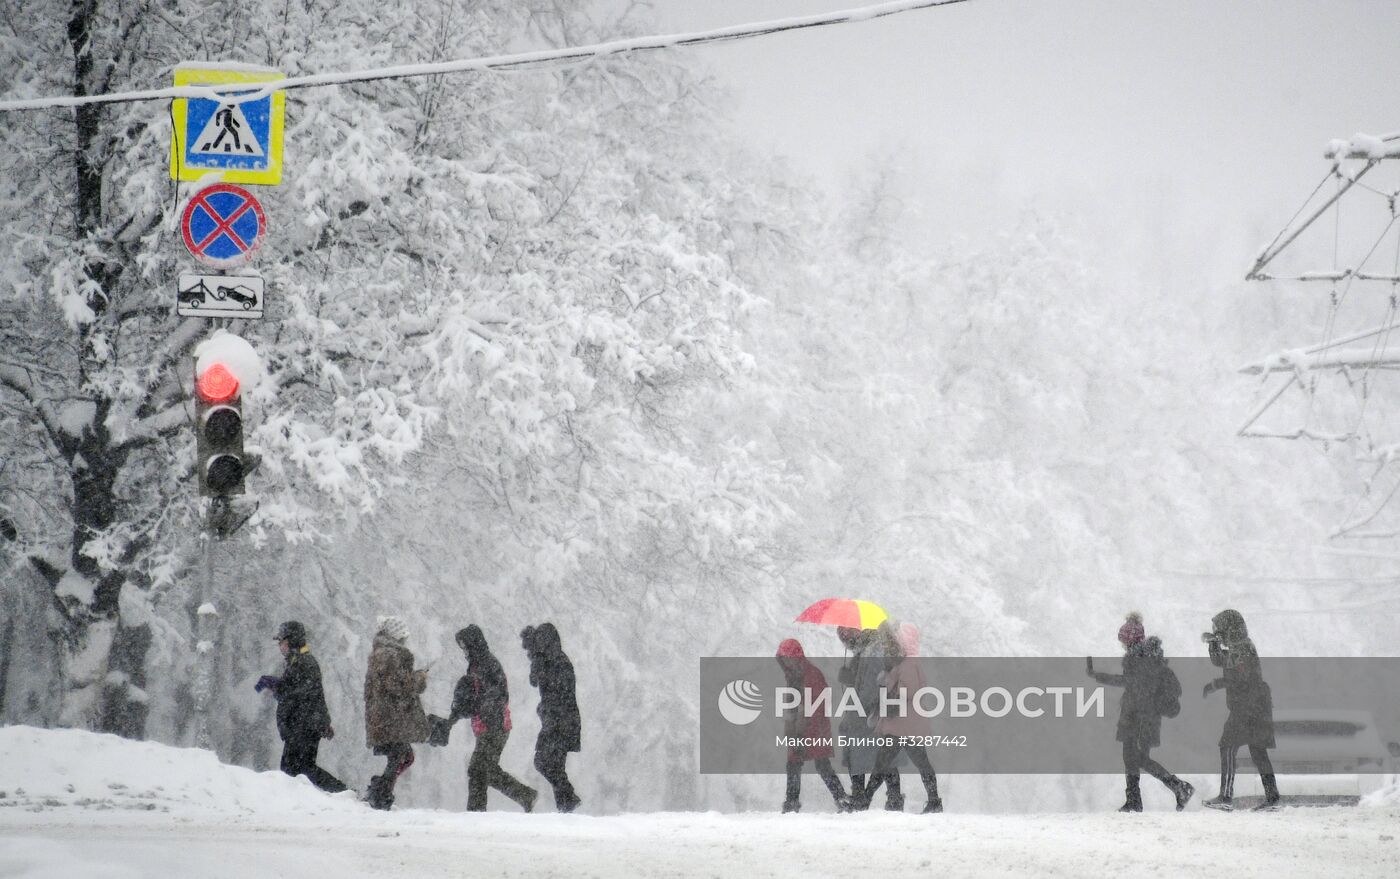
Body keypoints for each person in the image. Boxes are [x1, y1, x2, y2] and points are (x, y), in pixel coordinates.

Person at [1086, 612, 1193, 812]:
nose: (1123, 645)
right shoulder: (1143, 658)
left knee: (1138, 758)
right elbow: (1132, 684)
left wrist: (1099, 676)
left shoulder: (1140, 660)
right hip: (1137, 716)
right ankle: (1135, 801)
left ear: (1129, 640)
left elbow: (1133, 685)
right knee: (1130, 757)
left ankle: (1178, 787)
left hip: (1140, 718)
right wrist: (1099, 676)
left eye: (1124, 641)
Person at [442, 624, 538, 812]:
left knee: (478, 770)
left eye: (465, 646)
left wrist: (481, 707)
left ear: (473, 644)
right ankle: (524, 796)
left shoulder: (487, 664)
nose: (464, 650)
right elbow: (474, 697)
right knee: (485, 770)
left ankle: (478, 812)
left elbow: (497, 694)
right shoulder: (477, 665)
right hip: (487, 726)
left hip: (495, 726)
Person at [858, 621, 942, 813]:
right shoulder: (905, 663)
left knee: (883, 763)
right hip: (905, 724)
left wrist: (888, 693)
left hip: (904, 725)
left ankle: (864, 801)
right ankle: (934, 801)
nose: (891, 644)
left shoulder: (908, 664)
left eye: (896, 639)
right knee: (914, 763)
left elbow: (908, 691)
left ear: (904, 642)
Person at [255, 620, 347, 793]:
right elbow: (307, 693)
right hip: (301, 726)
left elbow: (296, 693)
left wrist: (275, 684)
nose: (279, 646)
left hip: (303, 727)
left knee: (299, 771)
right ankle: (340, 793)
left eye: (281, 641)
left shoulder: (304, 663)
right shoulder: (298, 662)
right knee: (297, 771)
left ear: (291, 640)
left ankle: (343, 792)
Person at [1202, 608, 1279, 811]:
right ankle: (1272, 798)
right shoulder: (1242, 646)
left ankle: (1226, 796)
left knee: (1227, 746)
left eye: (1219, 629)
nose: (1217, 632)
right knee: (1258, 752)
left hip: (1247, 707)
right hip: (1257, 706)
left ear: (1229, 629)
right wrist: (1214, 644)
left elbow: (1233, 672)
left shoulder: (1242, 648)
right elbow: (1225, 663)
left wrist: (1215, 683)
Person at [775, 638, 851, 813]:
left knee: (821, 764)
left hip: (815, 728)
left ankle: (841, 798)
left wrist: (802, 730)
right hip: (799, 728)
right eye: (783, 657)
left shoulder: (811, 674)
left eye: (788, 657)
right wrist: (792, 727)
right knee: (794, 764)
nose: (786, 661)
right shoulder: (793, 674)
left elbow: (815, 706)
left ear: (797, 656)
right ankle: (792, 802)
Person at [363, 615, 430, 810]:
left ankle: (380, 790)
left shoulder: (381, 653)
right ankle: (380, 793)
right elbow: (398, 686)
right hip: (391, 718)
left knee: (401, 755)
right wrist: (419, 678)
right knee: (401, 755)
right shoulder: (389, 655)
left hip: (384, 717)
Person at [835, 626, 901, 810]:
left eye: (845, 639)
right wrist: (847, 676)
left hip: (869, 711)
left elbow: (870, 685)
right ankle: (891, 798)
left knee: (862, 753)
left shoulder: (872, 652)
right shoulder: (866, 650)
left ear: (853, 637)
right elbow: (860, 680)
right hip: (873, 710)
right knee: (880, 755)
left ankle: (861, 798)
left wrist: (858, 708)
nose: (845, 644)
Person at [525, 622, 582, 812]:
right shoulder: (548, 660)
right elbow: (535, 680)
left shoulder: (560, 662)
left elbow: (561, 693)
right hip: (556, 720)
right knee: (549, 763)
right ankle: (566, 804)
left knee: (547, 762)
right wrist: (535, 656)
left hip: (562, 722)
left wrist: (549, 711)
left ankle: (567, 801)